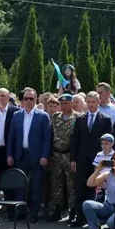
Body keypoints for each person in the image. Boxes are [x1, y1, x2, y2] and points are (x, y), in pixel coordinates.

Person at [6, 88, 51, 222]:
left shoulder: (43, 116)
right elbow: (11, 137)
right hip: (20, 155)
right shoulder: (17, 115)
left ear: (36, 99)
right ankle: (20, 211)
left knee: (36, 186)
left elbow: (47, 139)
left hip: (36, 157)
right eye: (26, 99)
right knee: (20, 185)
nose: (28, 101)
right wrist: (9, 154)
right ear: (22, 100)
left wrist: (44, 156)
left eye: (31, 99)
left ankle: (34, 213)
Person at [69, 92, 113, 227]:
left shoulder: (105, 119)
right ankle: (80, 217)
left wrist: (106, 162)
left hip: (98, 161)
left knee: (95, 189)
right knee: (80, 187)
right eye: (88, 102)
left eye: (93, 102)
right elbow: (75, 140)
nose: (91, 104)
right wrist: (73, 159)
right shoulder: (80, 119)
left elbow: (108, 142)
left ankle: (93, 220)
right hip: (82, 160)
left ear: (99, 102)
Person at [47, 93, 80, 221]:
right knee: (56, 183)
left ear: (72, 103)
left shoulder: (78, 117)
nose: (63, 106)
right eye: (61, 104)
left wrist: (75, 158)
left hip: (69, 155)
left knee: (71, 184)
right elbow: (51, 136)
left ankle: (72, 210)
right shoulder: (55, 117)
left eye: (66, 103)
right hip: (56, 154)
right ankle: (57, 210)